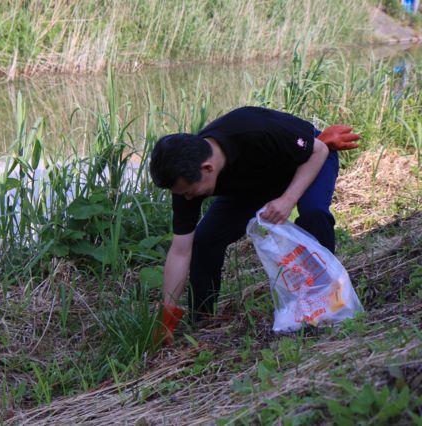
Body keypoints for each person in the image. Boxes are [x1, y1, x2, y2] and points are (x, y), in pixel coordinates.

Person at [149, 106, 360, 345]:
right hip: (255, 183)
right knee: (205, 240)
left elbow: (319, 149)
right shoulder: (184, 179)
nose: (187, 198)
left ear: (208, 168)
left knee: (314, 215)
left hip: (308, 161)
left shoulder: (252, 129)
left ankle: (329, 304)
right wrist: (168, 312)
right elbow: (180, 249)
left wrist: (288, 199)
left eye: (189, 192)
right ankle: (204, 320)